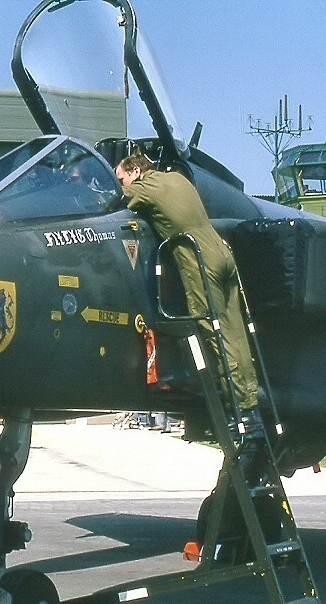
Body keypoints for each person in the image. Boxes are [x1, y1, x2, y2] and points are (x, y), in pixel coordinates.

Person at [114, 153, 259, 420]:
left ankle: (236, 404)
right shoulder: (177, 179)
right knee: (236, 332)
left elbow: (115, 202)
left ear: (135, 171)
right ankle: (250, 398)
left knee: (212, 328)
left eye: (122, 178)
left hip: (199, 259)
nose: (122, 184)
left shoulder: (146, 188)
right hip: (222, 252)